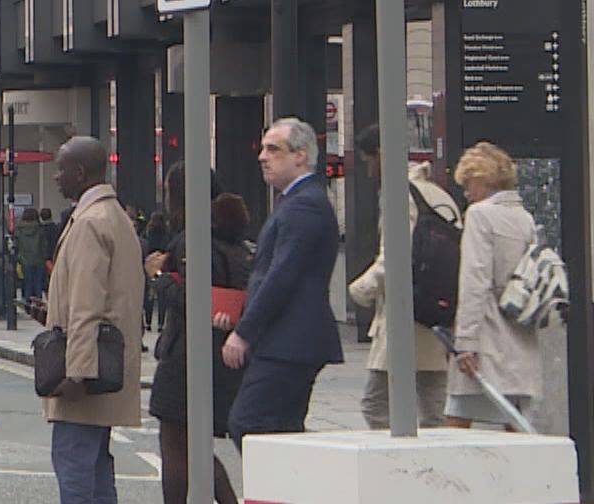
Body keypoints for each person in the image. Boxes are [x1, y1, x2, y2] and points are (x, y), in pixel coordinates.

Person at [28, 136, 142, 504]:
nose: (56, 176)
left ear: (80, 172)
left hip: (86, 373)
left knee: (74, 467)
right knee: (96, 468)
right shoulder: (115, 218)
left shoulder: (90, 223)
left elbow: (87, 306)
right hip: (107, 365)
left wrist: (75, 374)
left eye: (61, 169)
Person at [222, 118, 343, 448]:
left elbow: (282, 275)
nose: (263, 156)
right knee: (281, 432)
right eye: (263, 148)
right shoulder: (297, 201)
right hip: (288, 339)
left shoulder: (304, 205)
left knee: (249, 423)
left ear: (300, 156)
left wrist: (244, 332)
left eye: (273, 149)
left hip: (289, 340)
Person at [347, 124, 462, 429]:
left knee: (375, 405)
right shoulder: (438, 194)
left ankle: (394, 468)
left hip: (403, 313)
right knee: (434, 408)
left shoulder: (402, 195)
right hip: (436, 313)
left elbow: (395, 255)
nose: (369, 171)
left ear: (381, 154)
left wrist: (360, 289)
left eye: (368, 161)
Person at [147, 170, 252, 504]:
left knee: (177, 447)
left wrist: (159, 276)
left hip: (186, 356)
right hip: (218, 353)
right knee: (197, 450)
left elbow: (193, 298)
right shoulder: (231, 241)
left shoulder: (193, 238)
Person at [446, 141, 540, 429]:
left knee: (457, 419)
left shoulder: (480, 215)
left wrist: (465, 343)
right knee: (513, 419)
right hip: (519, 333)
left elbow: (475, 280)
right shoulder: (524, 218)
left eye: (468, 183)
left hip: (486, 334)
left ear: (481, 179)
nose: (466, 192)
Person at [18, 206, 50, 304]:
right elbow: (44, 246)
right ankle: (38, 302)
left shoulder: (19, 230)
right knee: (38, 284)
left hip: (25, 260)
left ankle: (28, 301)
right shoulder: (40, 229)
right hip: (39, 260)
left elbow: (17, 245)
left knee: (28, 282)